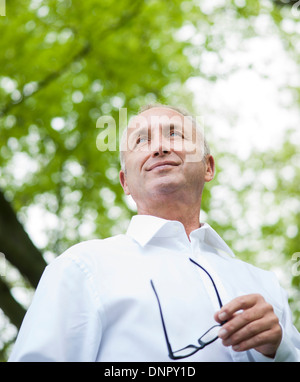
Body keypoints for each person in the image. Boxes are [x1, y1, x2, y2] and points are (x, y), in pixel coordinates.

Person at [9, 103, 300, 362]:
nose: (159, 148)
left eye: (175, 135)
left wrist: (281, 350)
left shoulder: (266, 285)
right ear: (125, 183)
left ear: (208, 167)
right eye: (141, 141)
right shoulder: (81, 268)